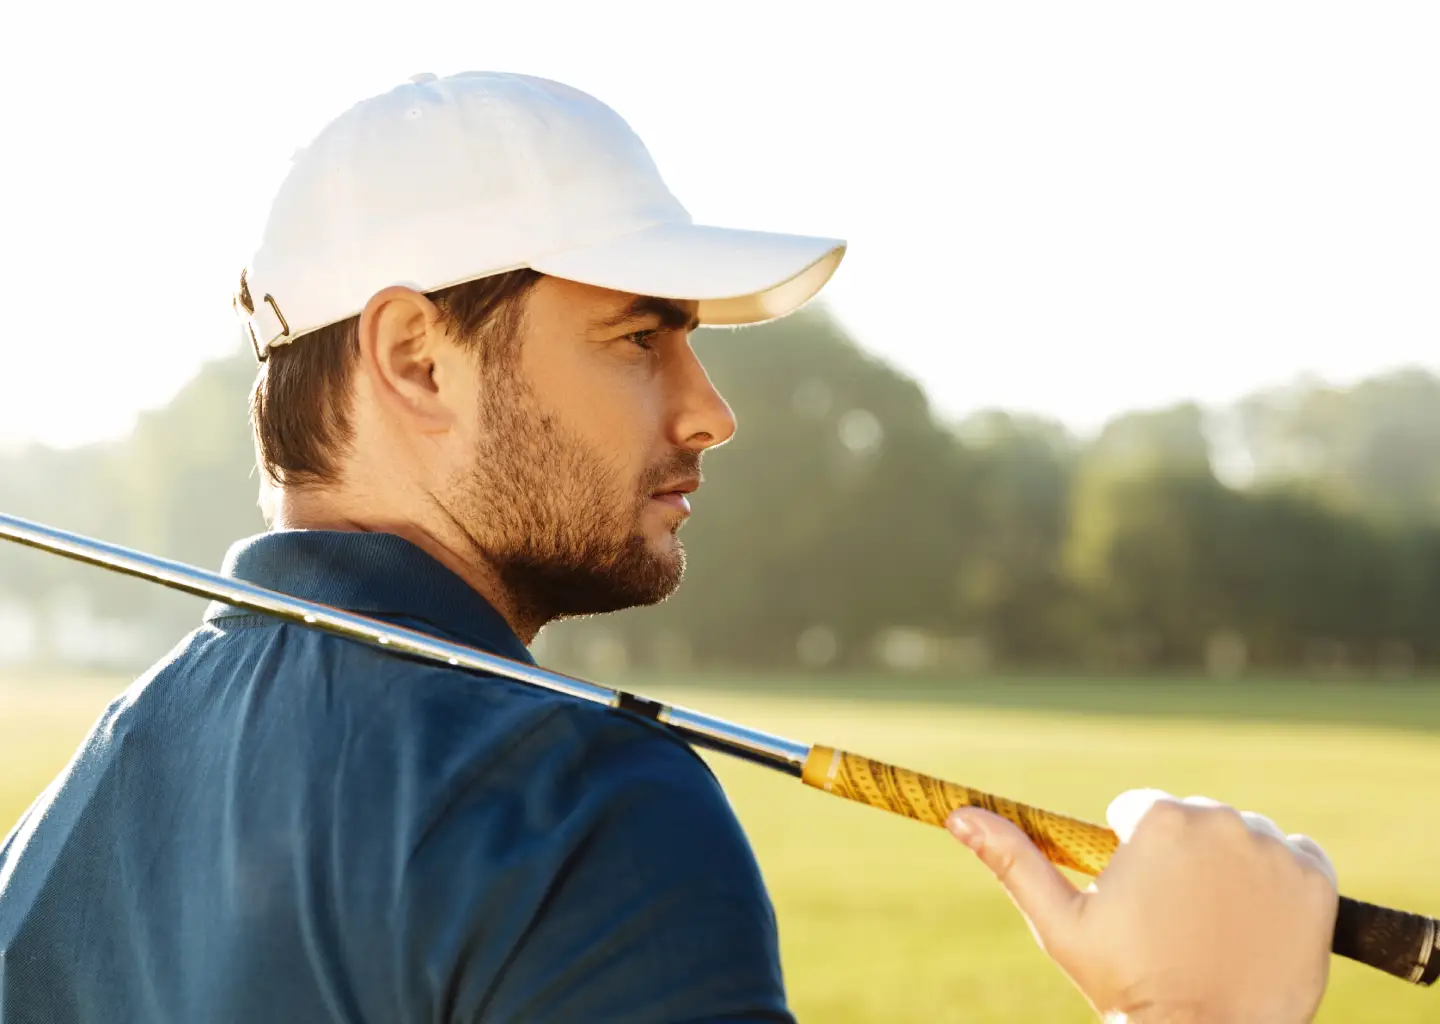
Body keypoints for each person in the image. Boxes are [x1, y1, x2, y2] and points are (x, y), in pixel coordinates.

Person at [0, 71, 1335, 1022]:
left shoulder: (73, 809)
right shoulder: (578, 810)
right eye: (641, 339)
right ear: (416, 357)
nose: (711, 409)